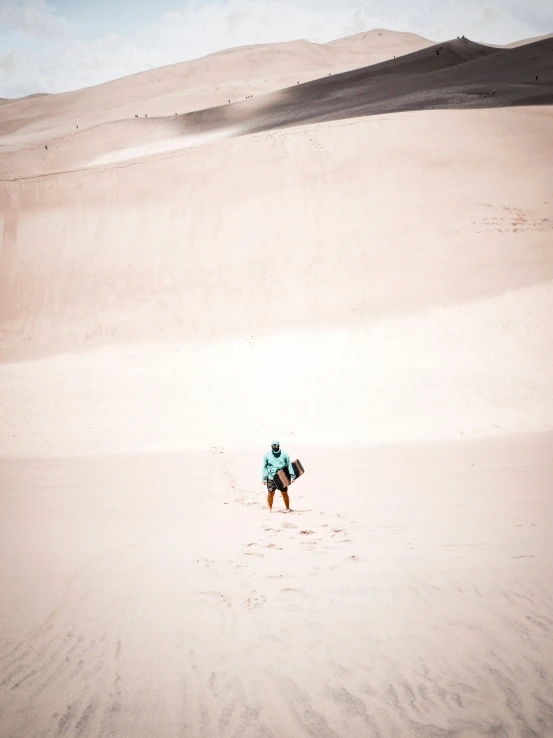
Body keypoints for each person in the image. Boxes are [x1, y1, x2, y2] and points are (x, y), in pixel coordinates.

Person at [262, 440, 295, 512]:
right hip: (271, 477)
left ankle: (287, 508)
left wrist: (292, 476)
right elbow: (264, 467)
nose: (275, 447)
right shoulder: (267, 455)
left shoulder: (285, 454)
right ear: (271, 446)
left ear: (278, 446)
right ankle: (269, 509)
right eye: (273, 446)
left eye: (276, 446)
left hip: (282, 476)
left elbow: (289, 465)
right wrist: (264, 478)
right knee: (270, 493)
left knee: (284, 493)